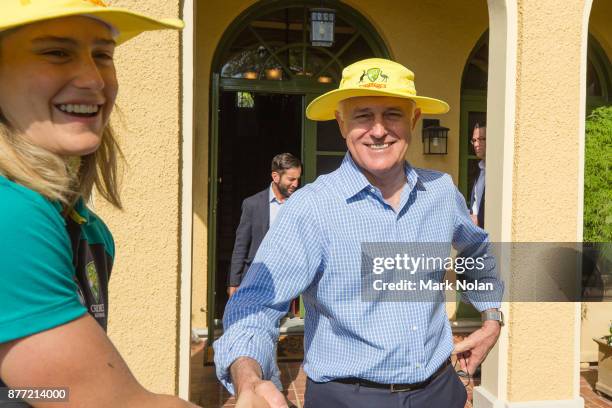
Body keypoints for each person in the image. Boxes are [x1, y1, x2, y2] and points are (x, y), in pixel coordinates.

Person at [213, 58, 504, 408]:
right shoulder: (311, 207)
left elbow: (477, 249)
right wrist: (249, 378)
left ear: (413, 120)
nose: (379, 130)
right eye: (363, 115)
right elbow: (254, 303)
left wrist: (490, 317)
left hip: (440, 391)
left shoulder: (440, 191)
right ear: (341, 123)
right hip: (348, 398)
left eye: (393, 114)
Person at [0, 1, 198, 407]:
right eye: (56, 52)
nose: (93, 78)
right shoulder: (11, 213)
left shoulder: (87, 228)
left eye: (103, 55)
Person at [227, 153, 302, 297]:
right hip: (255, 279)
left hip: (288, 282)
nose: (296, 184)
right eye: (291, 179)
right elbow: (241, 245)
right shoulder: (252, 204)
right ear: (275, 177)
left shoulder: (299, 204)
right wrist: (234, 282)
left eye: (298, 179)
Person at [470, 123, 486, 228]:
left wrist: (479, 220)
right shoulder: (479, 170)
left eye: (480, 139)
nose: (476, 144)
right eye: (474, 140)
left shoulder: (499, 171)